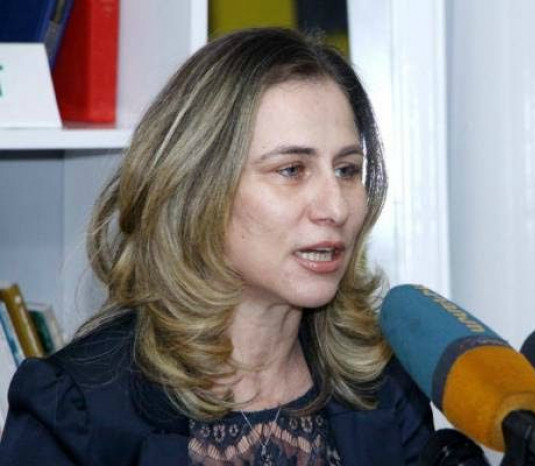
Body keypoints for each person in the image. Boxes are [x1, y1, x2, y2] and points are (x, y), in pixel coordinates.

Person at [0, 28, 433, 465]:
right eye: (291, 170)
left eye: (347, 169)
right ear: (197, 187)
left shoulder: (385, 386)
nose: (335, 207)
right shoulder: (78, 409)